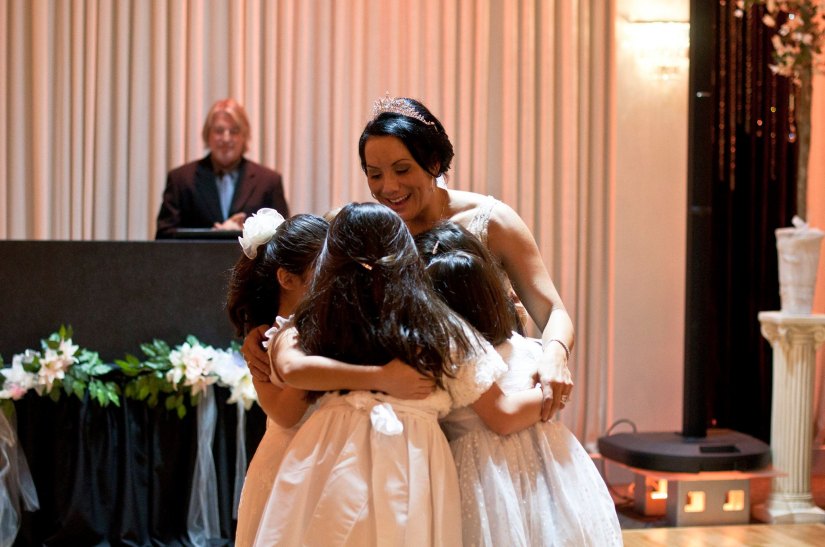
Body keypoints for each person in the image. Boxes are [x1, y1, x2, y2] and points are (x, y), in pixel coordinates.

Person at [252, 202, 510, 546]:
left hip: (332, 444)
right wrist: (381, 377)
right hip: (408, 452)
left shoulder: (321, 317)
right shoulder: (436, 323)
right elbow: (291, 369)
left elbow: (291, 367)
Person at [226, 208, 435, 547]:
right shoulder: (284, 335)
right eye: (326, 265)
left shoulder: (322, 326)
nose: (339, 274)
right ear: (287, 279)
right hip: (289, 463)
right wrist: (381, 377)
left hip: (324, 458)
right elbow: (286, 409)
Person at [358, 95, 573, 421]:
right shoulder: (376, 234)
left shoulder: (491, 220)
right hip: (416, 415)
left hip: (493, 406)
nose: (389, 187)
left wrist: (555, 355)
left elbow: (552, 309)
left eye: (402, 170)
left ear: (433, 164)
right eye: (375, 175)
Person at [417, 224, 623, 546]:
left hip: (492, 472)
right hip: (538, 469)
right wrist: (550, 396)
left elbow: (504, 416)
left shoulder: (461, 351)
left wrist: (549, 395)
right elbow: (507, 414)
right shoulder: (520, 348)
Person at [155, 98, 289, 239]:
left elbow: (284, 239)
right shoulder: (181, 179)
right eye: (219, 131)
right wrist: (214, 234)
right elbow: (164, 236)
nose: (226, 138)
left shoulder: (268, 182)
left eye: (234, 131)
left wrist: (245, 234)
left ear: (244, 136)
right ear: (207, 135)